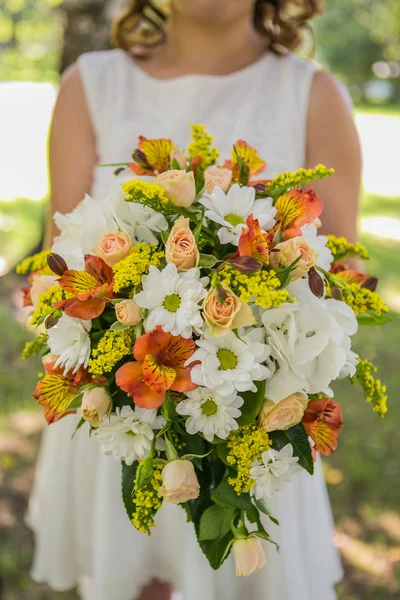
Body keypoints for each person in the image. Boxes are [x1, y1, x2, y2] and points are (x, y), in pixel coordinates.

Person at [27, 1, 362, 599]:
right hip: (121, 403)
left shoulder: (312, 93)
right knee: (130, 573)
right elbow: (64, 262)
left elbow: (337, 273)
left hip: (257, 414)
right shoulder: (90, 84)